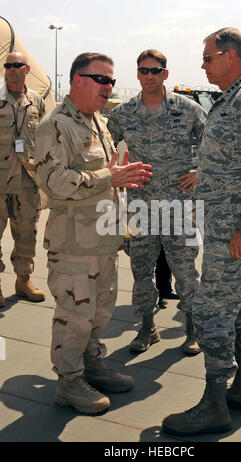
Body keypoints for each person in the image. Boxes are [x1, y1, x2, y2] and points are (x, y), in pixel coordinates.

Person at [162, 27, 241, 436]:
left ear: (230, 56)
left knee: (211, 309)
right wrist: (204, 172)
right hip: (227, 225)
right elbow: (236, 158)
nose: (203, 64)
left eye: (208, 58)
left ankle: (214, 402)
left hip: (234, 230)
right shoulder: (228, 101)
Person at [34, 52, 152, 414]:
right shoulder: (55, 125)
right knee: (74, 316)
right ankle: (69, 383)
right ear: (78, 80)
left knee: (100, 312)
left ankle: (92, 365)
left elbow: (105, 179)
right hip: (74, 247)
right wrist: (109, 177)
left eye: (112, 81)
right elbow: (53, 183)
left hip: (102, 242)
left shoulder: (96, 122)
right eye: (103, 79)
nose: (110, 87)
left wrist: (118, 182)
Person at [108, 49, 206, 355]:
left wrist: (198, 171)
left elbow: (213, 144)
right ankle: (147, 329)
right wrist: (111, 172)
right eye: (143, 70)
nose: (149, 76)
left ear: (166, 73)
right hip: (140, 209)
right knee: (141, 273)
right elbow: (101, 148)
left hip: (179, 208)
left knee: (187, 272)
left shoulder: (187, 109)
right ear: (137, 74)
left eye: (155, 70)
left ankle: (192, 330)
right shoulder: (122, 113)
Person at [0, 52, 46, 307]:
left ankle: (23, 280)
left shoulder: (36, 100)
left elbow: (44, 139)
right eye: (8, 66)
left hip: (27, 181)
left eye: (17, 65)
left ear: (27, 69)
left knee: (27, 233)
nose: (12, 69)